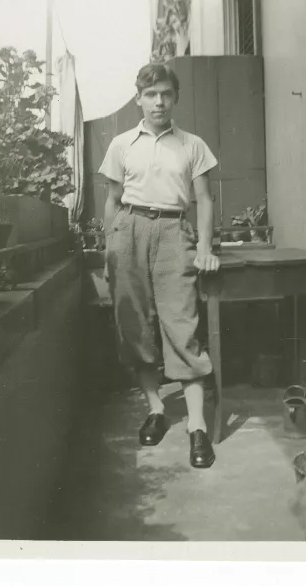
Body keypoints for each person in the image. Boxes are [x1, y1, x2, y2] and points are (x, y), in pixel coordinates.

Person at [98, 62, 220, 469]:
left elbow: (204, 199)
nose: (159, 102)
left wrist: (203, 246)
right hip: (128, 231)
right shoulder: (121, 144)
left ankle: (197, 427)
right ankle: (155, 409)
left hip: (173, 232)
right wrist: (110, 244)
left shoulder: (191, 144)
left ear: (176, 98)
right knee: (134, 324)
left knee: (181, 324)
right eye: (151, 95)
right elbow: (113, 200)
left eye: (166, 94)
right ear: (139, 98)